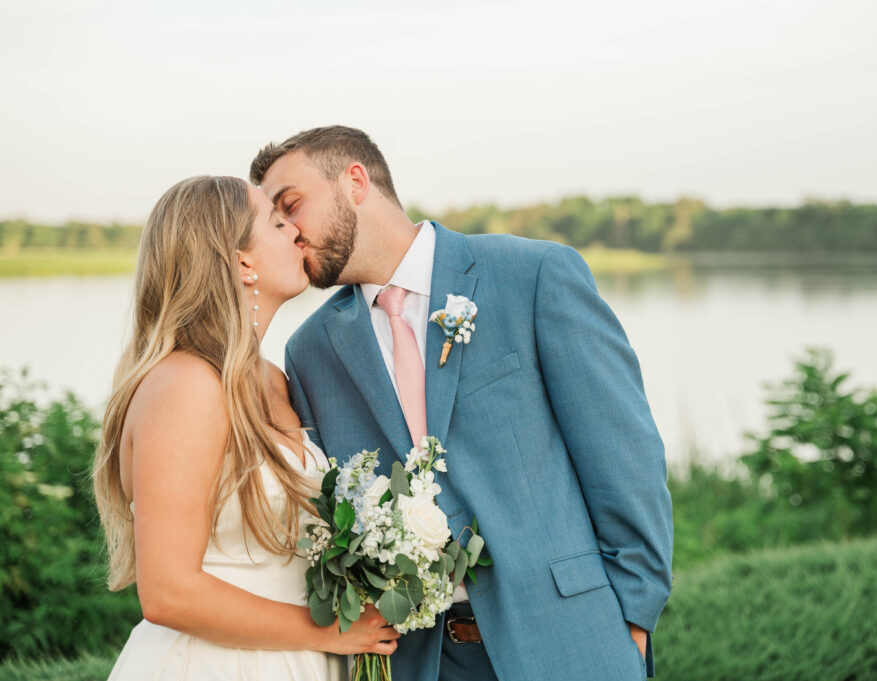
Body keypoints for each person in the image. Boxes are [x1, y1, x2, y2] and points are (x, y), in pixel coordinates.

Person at [249, 127, 674, 681]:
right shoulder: (310, 352)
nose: (289, 232)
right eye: (275, 221)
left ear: (355, 181)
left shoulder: (533, 276)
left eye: (292, 205)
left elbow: (624, 455)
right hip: (417, 660)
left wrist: (634, 619)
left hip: (569, 638)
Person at [92, 175, 400, 680]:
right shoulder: (184, 384)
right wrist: (328, 632)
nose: (297, 234)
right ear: (241, 262)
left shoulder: (271, 378)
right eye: (278, 223)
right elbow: (169, 592)